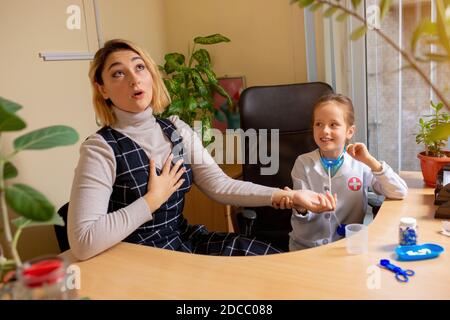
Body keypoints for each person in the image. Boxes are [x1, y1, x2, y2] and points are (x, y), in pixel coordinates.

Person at [67, 39, 336, 260]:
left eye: (140, 68)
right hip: (138, 259)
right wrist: (152, 200)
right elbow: (83, 242)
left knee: (267, 262)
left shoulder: (174, 128)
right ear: (102, 89)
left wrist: (287, 195)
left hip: (184, 243)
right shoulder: (100, 149)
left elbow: (220, 186)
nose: (133, 79)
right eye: (118, 73)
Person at [288, 93, 408, 251]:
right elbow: (302, 212)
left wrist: (370, 161)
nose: (324, 130)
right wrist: (300, 207)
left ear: (349, 132)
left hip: (348, 247)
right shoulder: (303, 163)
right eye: (319, 124)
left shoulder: (360, 164)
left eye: (333, 124)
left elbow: (399, 192)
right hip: (306, 247)